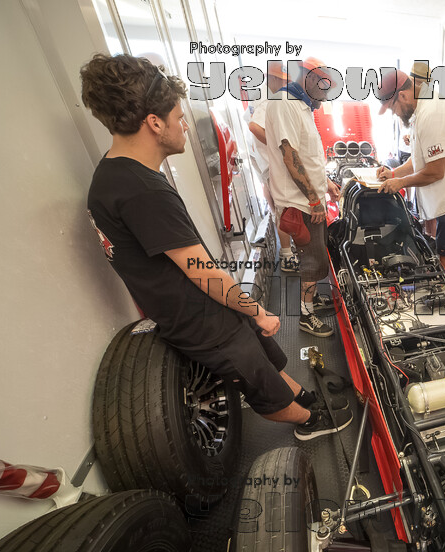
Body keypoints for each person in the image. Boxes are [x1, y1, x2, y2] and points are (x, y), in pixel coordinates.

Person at [79, 53, 351, 441]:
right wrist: (256, 310)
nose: (185, 125)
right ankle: (309, 422)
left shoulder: (114, 174)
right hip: (198, 318)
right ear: (154, 124)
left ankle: (303, 395)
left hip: (207, 305)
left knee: (263, 355)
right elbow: (201, 271)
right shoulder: (142, 190)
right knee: (259, 381)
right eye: (178, 118)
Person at [375, 69, 445, 274]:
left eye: (393, 108)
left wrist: (401, 183)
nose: (395, 114)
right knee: (439, 242)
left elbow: (435, 171)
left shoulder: (433, 114)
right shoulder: (420, 110)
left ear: (403, 95)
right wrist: (394, 174)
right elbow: (420, 159)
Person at [262, 57, 341, 337]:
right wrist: (314, 199)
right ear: (307, 79)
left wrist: (325, 183)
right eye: (323, 88)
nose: (326, 95)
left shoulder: (302, 106)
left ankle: (313, 300)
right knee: (311, 261)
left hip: (309, 199)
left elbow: (307, 154)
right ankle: (306, 317)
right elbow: (289, 155)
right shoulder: (285, 103)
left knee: (318, 257)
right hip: (300, 203)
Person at [247, 63, 299, 273]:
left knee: (280, 208)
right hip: (270, 162)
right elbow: (254, 126)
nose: (287, 85)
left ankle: (287, 249)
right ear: (273, 79)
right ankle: (286, 256)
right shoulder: (270, 99)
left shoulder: (267, 95)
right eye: (284, 81)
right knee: (284, 209)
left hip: (265, 161)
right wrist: (279, 146)